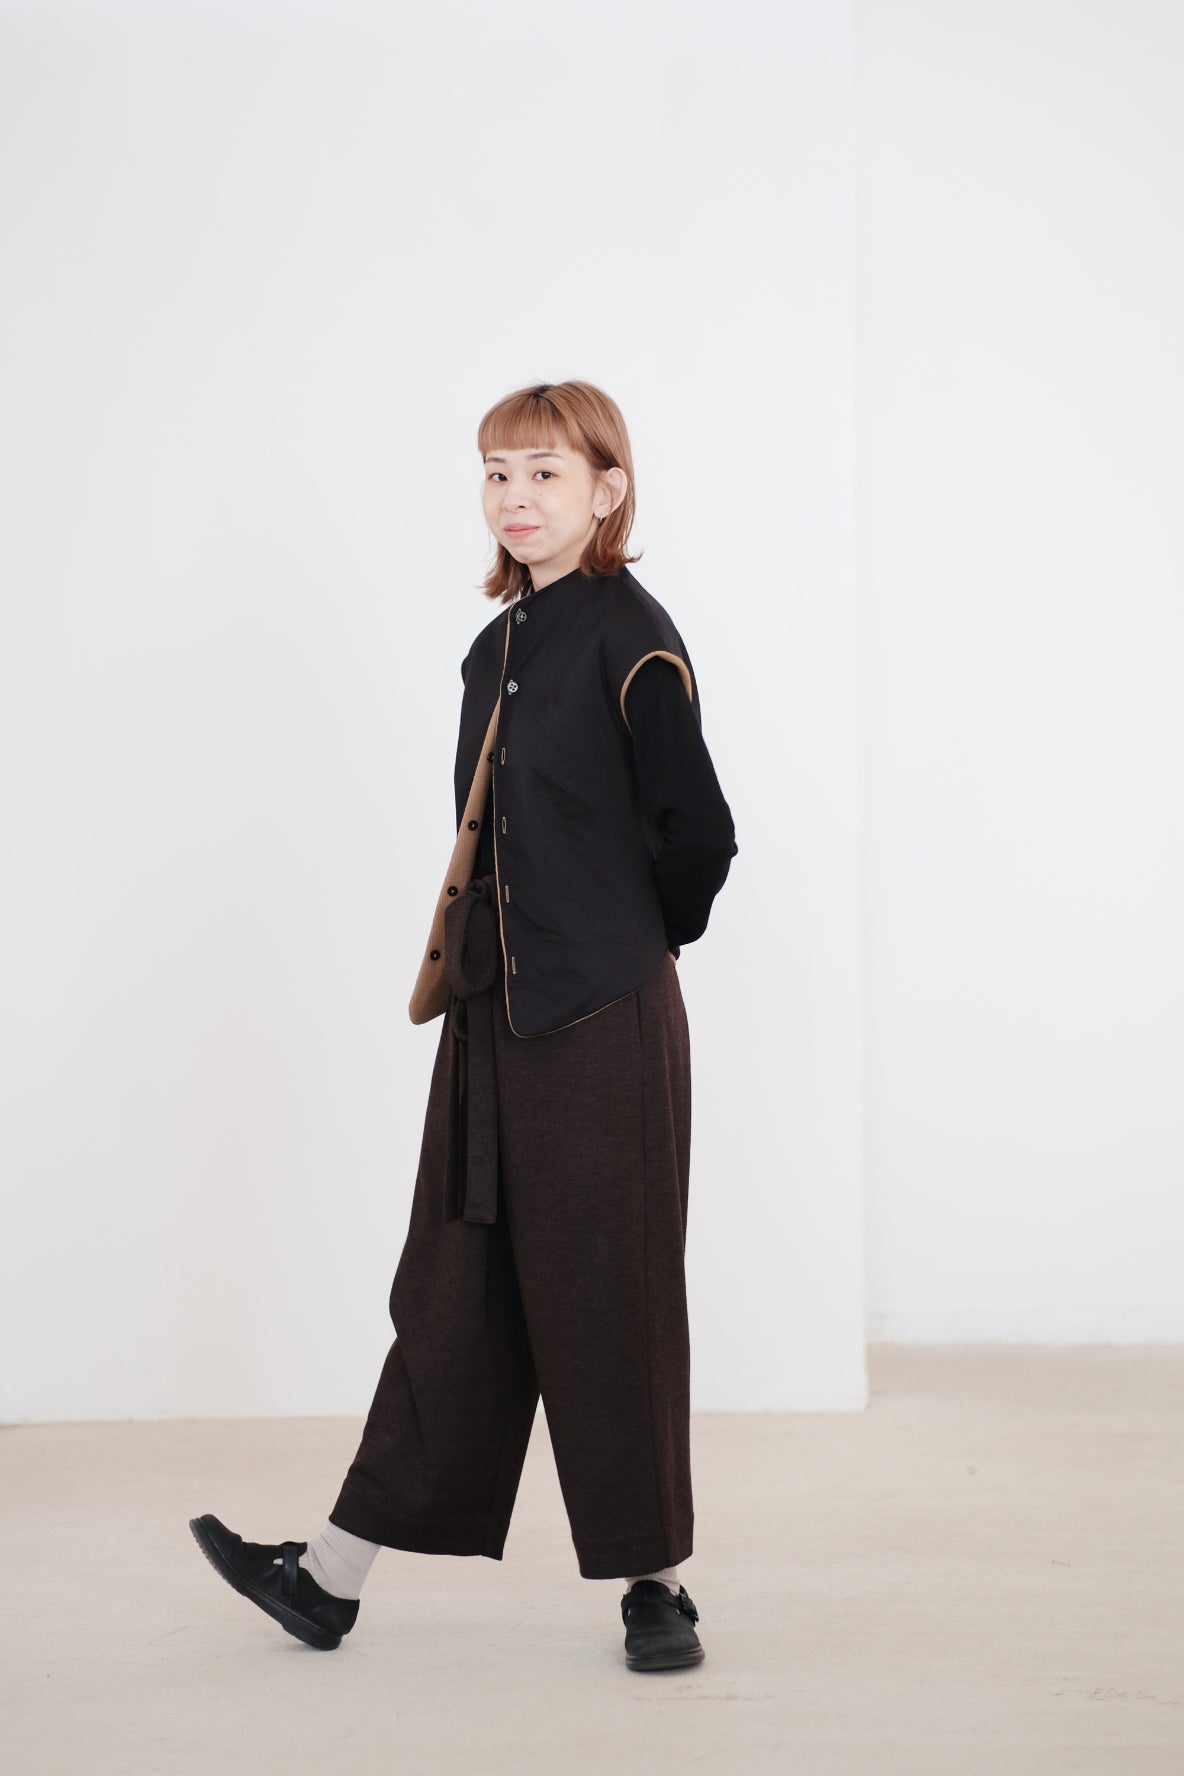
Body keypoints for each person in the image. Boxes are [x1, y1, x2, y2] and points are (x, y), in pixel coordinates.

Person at [190, 379, 738, 1674]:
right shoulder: (495, 648)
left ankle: (656, 1590)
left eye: (545, 474)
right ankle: (328, 1580)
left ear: (608, 490)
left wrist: (628, 943)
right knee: (447, 1293)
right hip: (490, 1025)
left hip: (603, 1021)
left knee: (610, 1297)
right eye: (498, 474)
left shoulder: (633, 635)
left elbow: (701, 834)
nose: (516, 498)